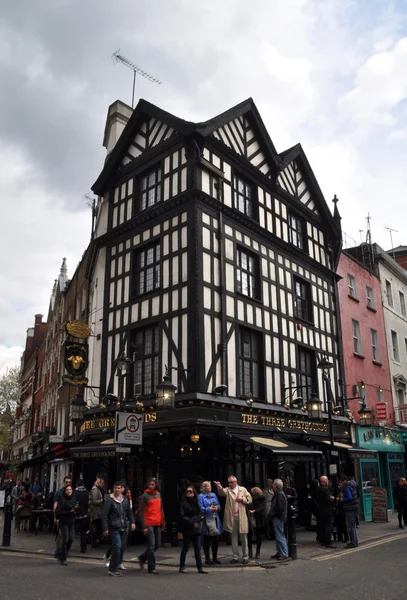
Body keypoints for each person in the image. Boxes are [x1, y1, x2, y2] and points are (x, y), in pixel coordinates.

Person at [215, 476, 252, 564]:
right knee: (233, 537)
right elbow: (221, 493)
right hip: (232, 517)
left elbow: (249, 499)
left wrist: (243, 499)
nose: (230, 484)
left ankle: (245, 556)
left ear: (236, 482)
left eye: (231, 482)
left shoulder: (242, 489)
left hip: (241, 516)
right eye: (229, 482)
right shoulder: (228, 490)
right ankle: (235, 556)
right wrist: (219, 486)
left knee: (243, 537)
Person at [102, 481, 135, 577]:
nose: (117, 490)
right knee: (117, 546)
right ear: (113, 489)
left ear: (122, 489)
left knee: (121, 547)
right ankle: (112, 569)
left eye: (119, 488)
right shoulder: (109, 500)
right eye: (115, 488)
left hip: (123, 526)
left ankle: (115, 565)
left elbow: (129, 512)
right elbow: (104, 515)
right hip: (113, 527)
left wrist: (132, 522)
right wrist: (105, 528)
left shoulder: (125, 500)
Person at [138, 478, 165, 574]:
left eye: (152, 484)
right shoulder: (144, 496)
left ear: (156, 485)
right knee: (151, 545)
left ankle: (142, 557)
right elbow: (142, 512)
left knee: (157, 544)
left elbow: (161, 509)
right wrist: (144, 526)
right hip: (148, 523)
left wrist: (163, 522)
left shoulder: (158, 494)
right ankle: (151, 567)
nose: (151, 486)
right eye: (149, 484)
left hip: (157, 522)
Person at [179, 486, 208, 574]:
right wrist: (192, 522)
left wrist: (196, 521)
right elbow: (182, 516)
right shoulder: (183, 503)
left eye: (190, 491)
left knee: (197, 548)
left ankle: (200, 567)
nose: (189, 493)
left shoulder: (196, 503)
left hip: (196, 528)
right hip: (188, 528)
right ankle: (182, 566)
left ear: (193, 493)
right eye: (187, 491)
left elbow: (201, 514)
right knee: (185, 548)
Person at [198, 481, 222, 565]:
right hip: (206, 519)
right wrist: (209, 509)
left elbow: (219, 505)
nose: (210, 487)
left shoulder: (214, 495)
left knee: (216, 538)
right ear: (204, 488)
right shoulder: (200, 496)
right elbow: (200, 508)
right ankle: (207, 558)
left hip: (215, 518)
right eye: (208, 486)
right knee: (207, 538)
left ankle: (215, 558)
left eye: (210, 486)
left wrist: (217, 508)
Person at [55, 484, 76, 566]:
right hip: (63, 522)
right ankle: (63, 558)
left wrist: (76, 510)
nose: (69, 491)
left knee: (71, 539)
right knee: (65, 539)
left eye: (70, 489)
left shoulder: (73, 499)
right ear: (65, 491)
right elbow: (58, 512)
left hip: (71, 522)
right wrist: (68, 512)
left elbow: (75, 508)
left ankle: (61, 552)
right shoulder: (62, 500)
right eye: (67, 490)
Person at [53, 476, 72, 560]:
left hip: (69, 518)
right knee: (60, 535)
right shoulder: (59, 492)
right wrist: (55, 517)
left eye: (69, 482)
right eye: (66, 482)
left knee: (68, 537)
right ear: (63, 482)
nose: (68, 483)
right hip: (61, 517)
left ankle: (63, 551)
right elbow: (55, 504)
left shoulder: (71, 493)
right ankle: (58, 552)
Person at [314, 475, 335, 549]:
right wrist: (332, 498)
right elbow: (328, 499)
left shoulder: (317, 489)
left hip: (320, 511)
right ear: (325, 481)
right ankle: (328, 542)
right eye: (327, 480)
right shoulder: (325, 489)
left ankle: (322, 541)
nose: (328, 482)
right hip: (327, 511)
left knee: (322, 527)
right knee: (328, 527)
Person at [270, 479, 289, 561]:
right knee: (278, 535)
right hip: (278, 517)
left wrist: (274, 515)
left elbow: (280, 508)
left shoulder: (280, 495)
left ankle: (284, 554)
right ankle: (279, 552)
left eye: (273, 484)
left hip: (278, 518)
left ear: (276, 486)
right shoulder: (278, 494)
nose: (272, 486)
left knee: (280, 535)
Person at [339, 476, 359, 548]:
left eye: (341, 482)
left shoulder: (347, 487)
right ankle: (355, 542)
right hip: (354, 507)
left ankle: (353, 543)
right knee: (352, 525)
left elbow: (350, 497)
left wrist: (342, 499)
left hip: (350, 508)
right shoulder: (353, 485)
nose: (340, 483)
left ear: (344, 481)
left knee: (350, 526)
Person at [248, 487, 267, 559]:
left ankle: (258, 551)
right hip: (252, 518)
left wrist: (254, 511)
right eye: (253, 495)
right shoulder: (251, 499)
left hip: (259, 518)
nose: (254, 497)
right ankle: (250, 551)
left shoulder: (263, 499)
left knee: (259, 536)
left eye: (255, 496)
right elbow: (249, 505)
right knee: (249, 535)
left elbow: (262, 508)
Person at [90, 477, 106, 547]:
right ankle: (93, 541)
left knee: (99, 527)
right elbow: (93, 501)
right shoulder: (95, 490)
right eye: (102, 483)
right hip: (96, 512)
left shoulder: (99, 489)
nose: (103, 484)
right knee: (97, 527)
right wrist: (102, 500)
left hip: (99, 511)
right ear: (99, 483)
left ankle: (96, 540)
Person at [75, 479, 90, 553]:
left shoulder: (74, 492)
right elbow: (89, 503)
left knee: (71, 529)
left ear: (76, 484)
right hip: (84, 514)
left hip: (75, 514)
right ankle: (83, 548)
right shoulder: (87, 492)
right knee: (83, 532)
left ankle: (67, 545)